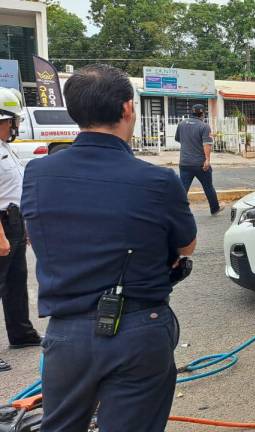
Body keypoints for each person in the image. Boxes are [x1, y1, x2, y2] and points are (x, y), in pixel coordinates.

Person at [21, 64, 197, 431]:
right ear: (127, 108)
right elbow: (188, 245)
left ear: (73, 110)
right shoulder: (158, 180)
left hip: (66, 334)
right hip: (139, 329)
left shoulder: (38, 174)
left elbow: (41, 234)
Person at [0, 87, 41, 373]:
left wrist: (22, 225)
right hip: (0, 225)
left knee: (16, 281)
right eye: (12, 120)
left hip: (13, 220)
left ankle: (21, 334)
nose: (15, 126)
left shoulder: (5, 148)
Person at [176, 103, 222, 215]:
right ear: (203, 114)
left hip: (185, 163)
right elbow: (207, 144)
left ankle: (175, 211)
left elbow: (178, 139)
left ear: (192, 112)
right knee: (208, 187)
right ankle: (215, 209)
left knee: (182, 189)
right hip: (200, 164)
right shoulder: (204, 126)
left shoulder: (181, 124)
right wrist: (207, 160)